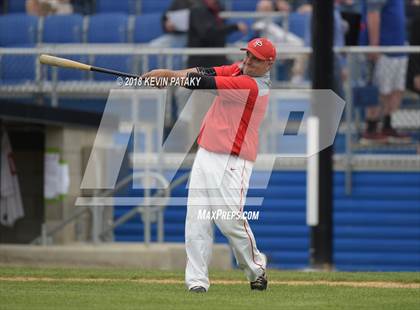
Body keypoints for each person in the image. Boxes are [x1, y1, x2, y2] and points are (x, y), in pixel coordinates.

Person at [141, 37, 276, 293]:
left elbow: (204, 82)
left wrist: (167, 76)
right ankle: (196, 281)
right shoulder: (239, 68)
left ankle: (257, 268)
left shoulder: (252, 86)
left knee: (229, 221)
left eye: (255, 59)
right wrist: (167, 77)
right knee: (196, 220)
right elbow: (203, 71)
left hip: (233, 160)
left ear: (268, 64)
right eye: (247, 55)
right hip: (206, 153)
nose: (248, 61)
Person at [359, 0, 410, 144]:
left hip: (398, 49)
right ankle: (370, 129)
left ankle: (387, 127)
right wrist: (374, 46)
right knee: (379, 90)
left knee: (396, 90)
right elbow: (373, 14)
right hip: (383, 51)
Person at [187, 0, 247, 68]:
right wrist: (235, 27)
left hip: (213, 59)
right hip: (202, 60)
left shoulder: (215, 8)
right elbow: (208, 32)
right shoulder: (198, 9)